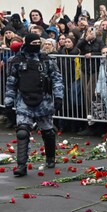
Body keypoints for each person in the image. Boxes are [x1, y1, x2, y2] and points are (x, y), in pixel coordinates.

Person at [4, 33, 64, 177]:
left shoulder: (47, 60)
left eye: (39, 42)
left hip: (43, 100)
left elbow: (57, 79)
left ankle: (50, 157)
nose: (36, 45)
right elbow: (11, 82)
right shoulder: (16, 60)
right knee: (22, 132)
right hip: (23, 101)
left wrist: (59, 97)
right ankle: (21, 165)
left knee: (48, 131)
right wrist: (8, 102)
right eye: (34, 42)